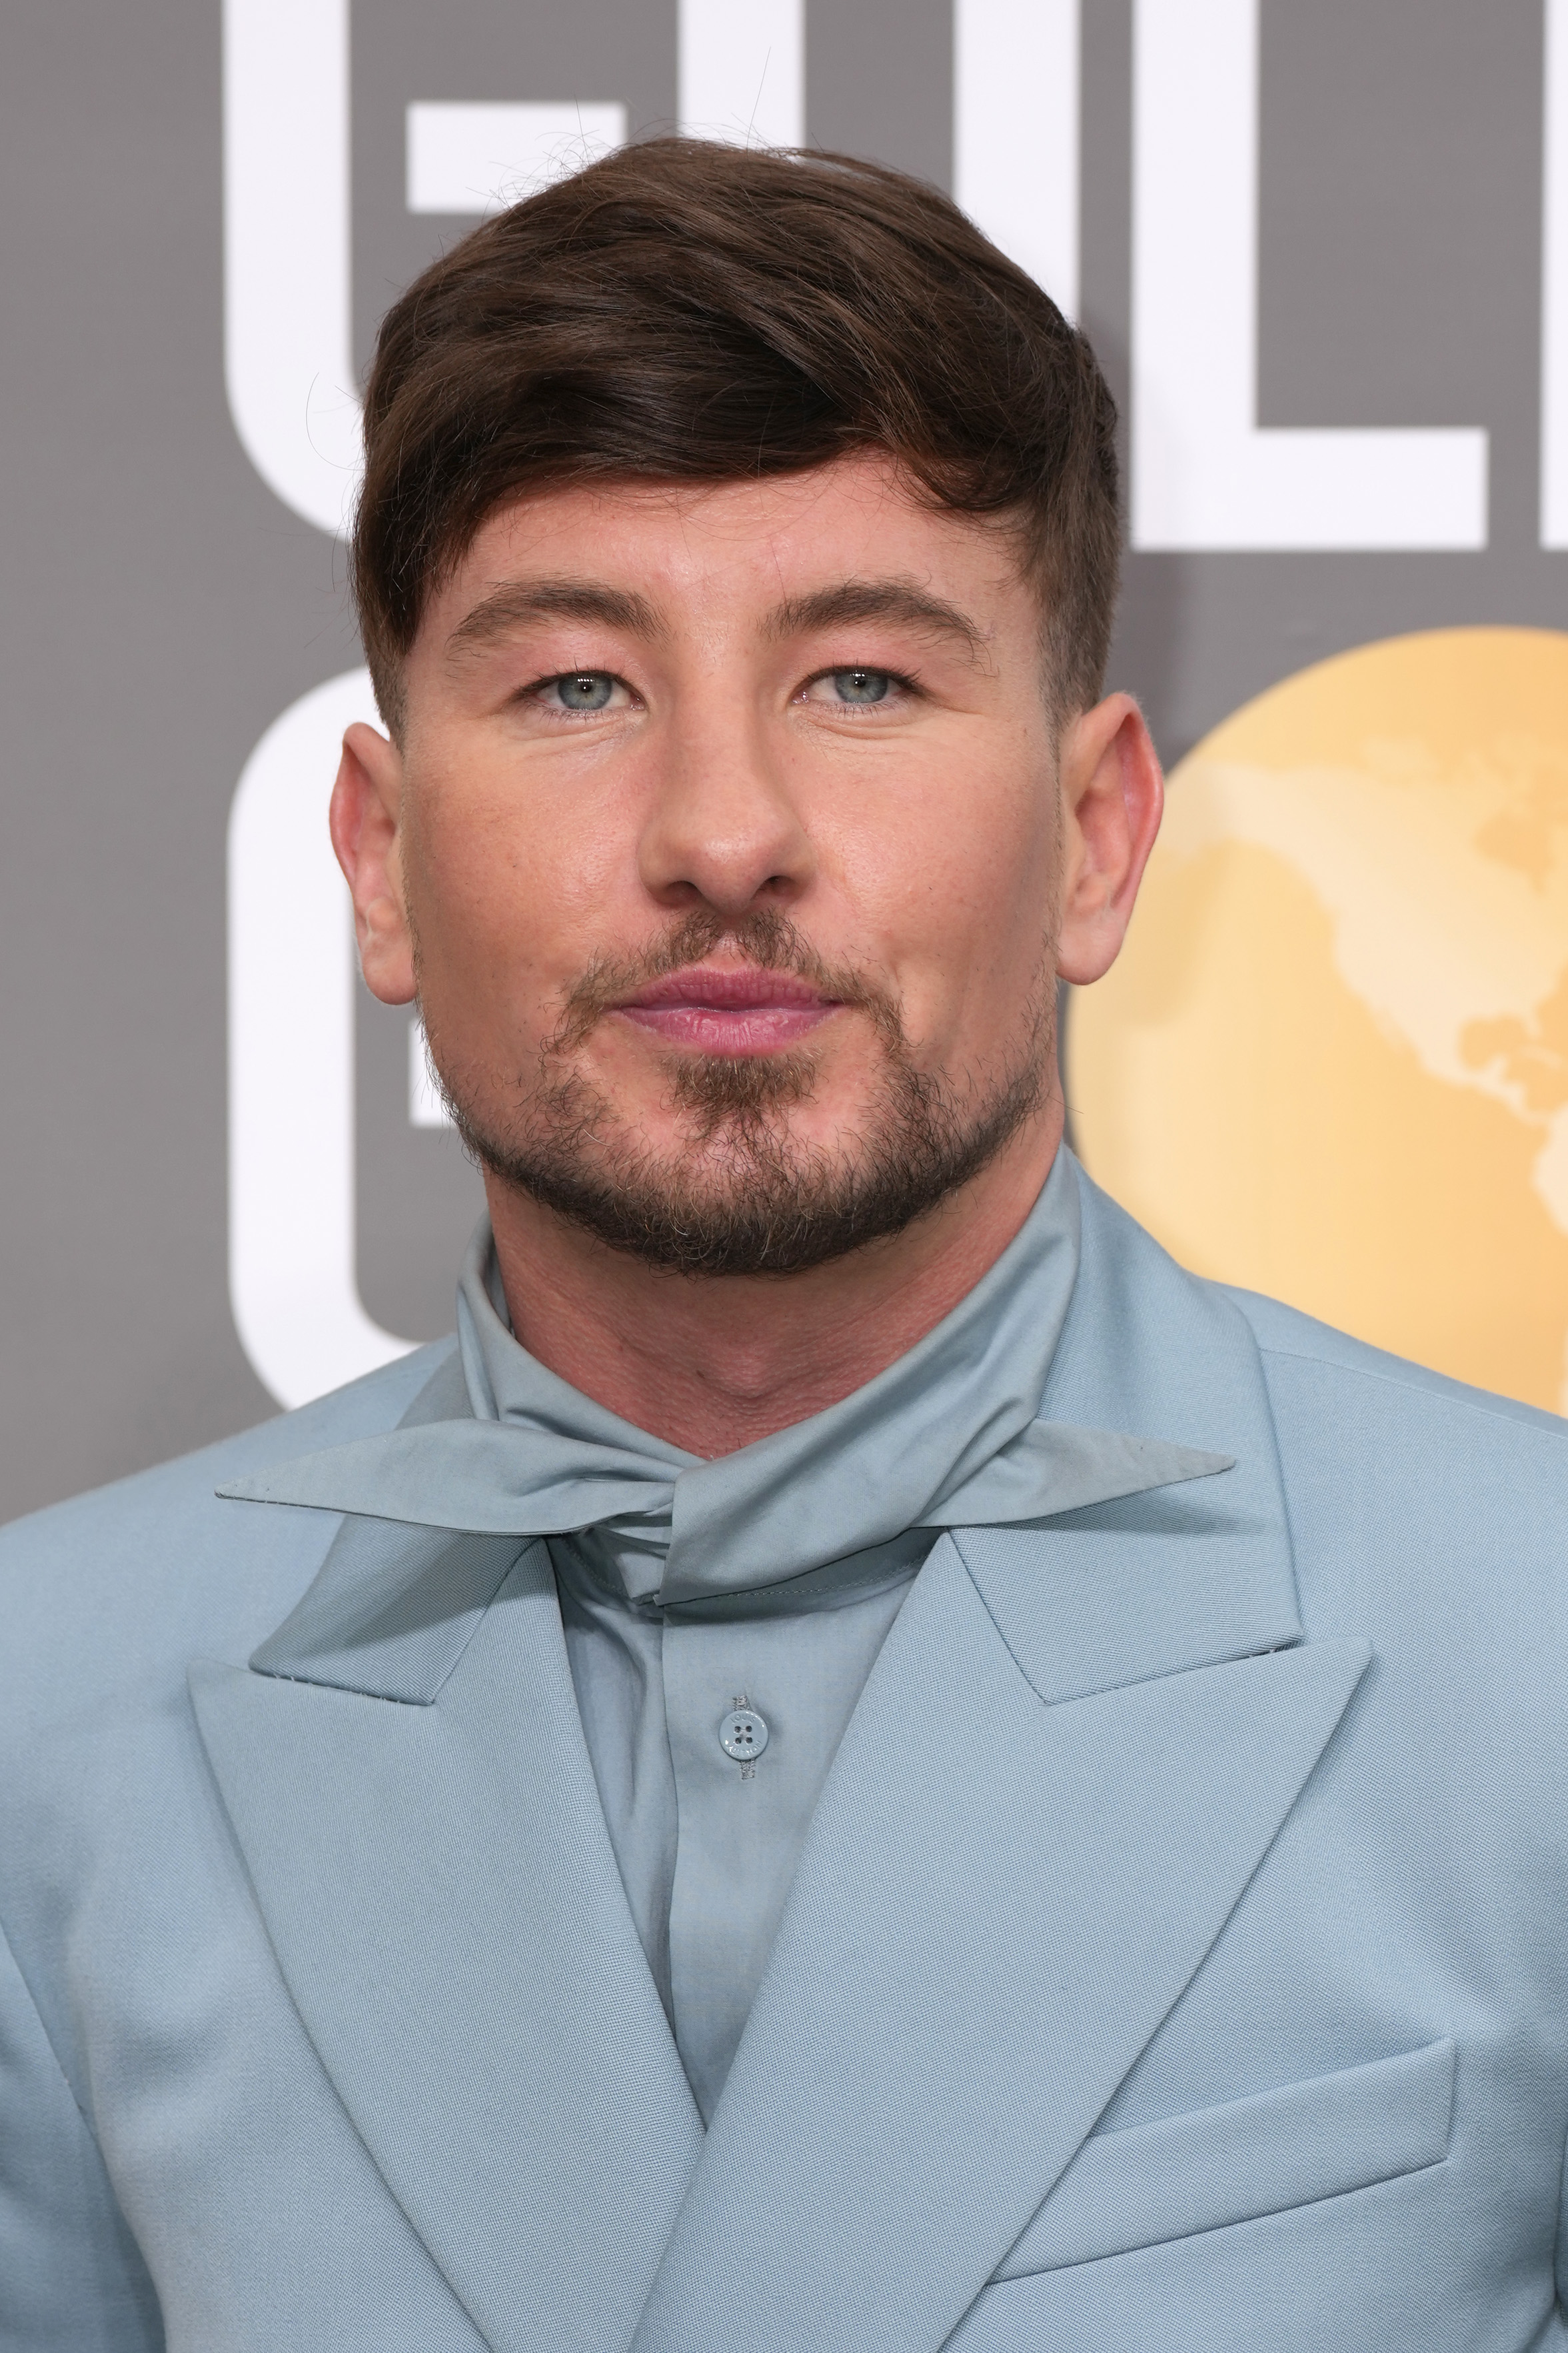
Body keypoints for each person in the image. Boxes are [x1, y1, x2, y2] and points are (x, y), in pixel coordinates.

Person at [2, 135, 1565, 2353]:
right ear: (372, 860)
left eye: (861, 682)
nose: (720, 832)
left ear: (1097, 836)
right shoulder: (34, 1729)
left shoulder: (1544, 1665)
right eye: (572, 688)